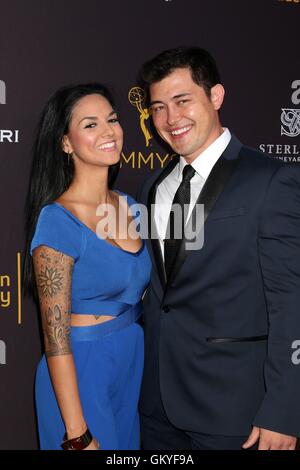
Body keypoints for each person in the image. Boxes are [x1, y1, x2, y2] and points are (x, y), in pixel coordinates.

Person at [137, 47, 300, 450]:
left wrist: (285, 410)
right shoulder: (155, 186)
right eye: (158, 107)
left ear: (216, 97)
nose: (171, 119)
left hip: (235, 411)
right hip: (157, 407)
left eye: (182, 101)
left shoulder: (270, 180)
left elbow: (291, 303)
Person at [23, 83, 151, 450]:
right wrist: (77, 434)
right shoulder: (57, 220)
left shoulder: (131, 206)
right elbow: (55, 340)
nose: (109, 131)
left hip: (130, 361)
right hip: (81, 369)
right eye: (90, 124)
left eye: (111, 119)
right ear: (66, 143)